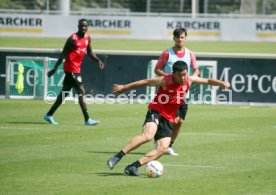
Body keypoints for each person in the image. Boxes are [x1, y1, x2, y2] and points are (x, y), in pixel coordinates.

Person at [107, 61, 230, 176]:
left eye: (185, 74)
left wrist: (221, 83)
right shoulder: (164, 81)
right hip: (156, 111)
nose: (183, 78)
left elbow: (208, 80)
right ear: (173, 74)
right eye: (180, 75)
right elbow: (144, 81)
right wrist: (125, 87)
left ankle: (133, 167)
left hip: (168, 118)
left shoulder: (189, 80)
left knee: (163, 148)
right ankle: (117, 157)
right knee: (148, 136)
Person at [44, 18, 104, 125]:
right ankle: (87, 119)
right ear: (78, 27)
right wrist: (54, 68)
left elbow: (90, 52)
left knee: (64, 93)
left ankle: (49, 115)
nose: (83, 28)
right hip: (71, 69)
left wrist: (98, 60)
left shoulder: (87, 38)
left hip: (76, 69)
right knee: (81, 91)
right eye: (82, 26)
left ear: (87, 27)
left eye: (85, 26)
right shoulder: (72, 38)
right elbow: (63, 54)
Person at [154, 28, 199, 156]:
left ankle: (169, 144)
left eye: (182, 37)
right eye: (178, 37)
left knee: (179, 121)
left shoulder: (190, 54)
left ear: (185, 38)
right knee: (170, 120)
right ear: (174, 38)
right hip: (168, 94)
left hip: (183, 94)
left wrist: (193, 77)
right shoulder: (167, 53)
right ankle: (162, 142)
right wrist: (169, 79)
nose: (180, 39)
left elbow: (196, 70)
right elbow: (157, 69)